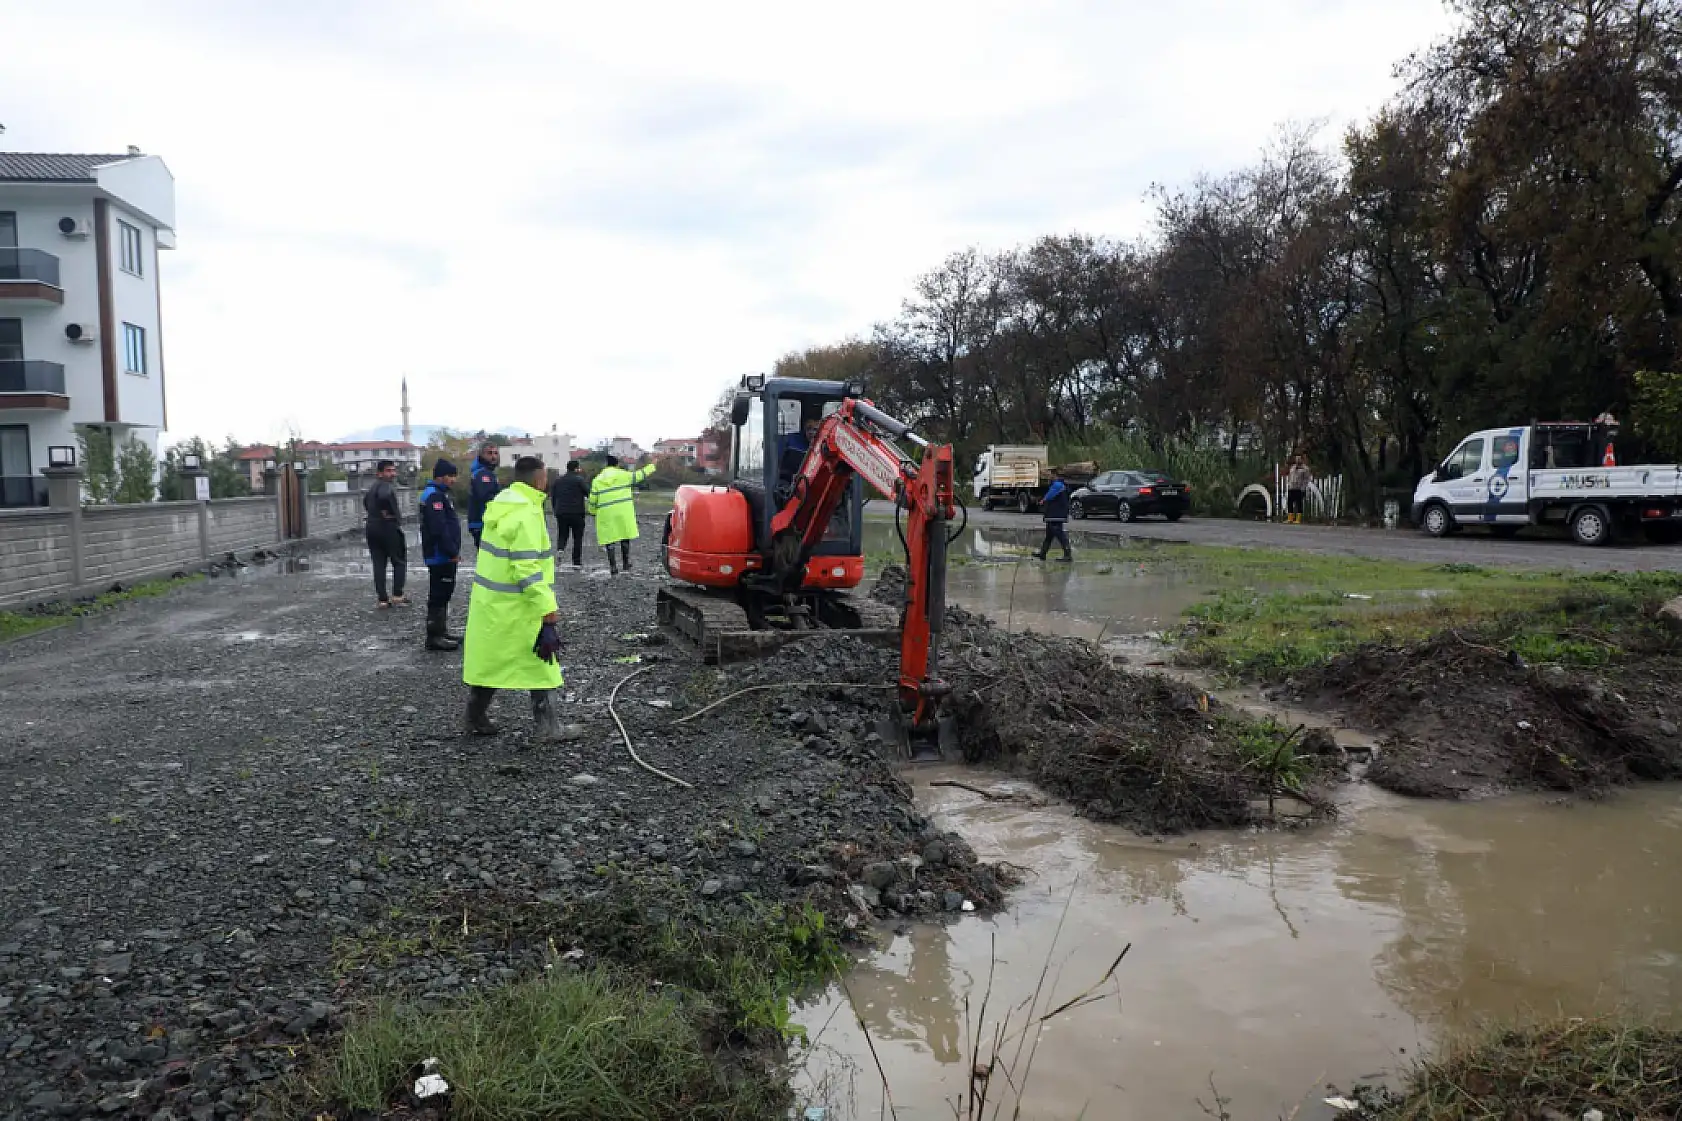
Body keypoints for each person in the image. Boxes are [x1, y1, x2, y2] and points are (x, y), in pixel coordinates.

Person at [462, 456, 566, 739]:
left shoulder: (503, 504)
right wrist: (547, 607)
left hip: (493, 605)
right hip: (519, 606)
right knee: (541, 662)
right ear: (539, 480)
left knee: (491, 661)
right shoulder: (527, 514)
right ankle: (549, 728)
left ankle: (475, 717)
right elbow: (527, 567)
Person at [418, 459, 463, 651]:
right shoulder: (435, 497)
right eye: (451, 476)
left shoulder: (438, 494)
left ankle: (441, 630)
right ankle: (434, 636)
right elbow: (439, 529)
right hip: (440, 555)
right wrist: (451, 551)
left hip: (441, 554)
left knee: (444, 593)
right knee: (439, 593)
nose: (453, 480)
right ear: (441, 476)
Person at [587, 454, 655, 574]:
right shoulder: (624, 475)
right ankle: (625, 563)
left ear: (606, 465)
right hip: (623, 511)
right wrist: (652, 466)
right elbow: (639, 475)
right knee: (624, 536)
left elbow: (593, 499)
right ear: (617, 464)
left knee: (609, 539)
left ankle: (613, 566)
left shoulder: (597, 480)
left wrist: (592, 511)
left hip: (606, 513)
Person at [363, 459, 408, 607]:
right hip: (388, 527)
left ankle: (382, 599)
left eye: (393, 470)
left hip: (372, 527)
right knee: (399, 561)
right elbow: (383, 497)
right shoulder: (385, 486)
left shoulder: (371, 489)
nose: (392, 474)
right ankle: (397, 594)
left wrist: (375, 513)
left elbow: (365, 503)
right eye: (388, 471)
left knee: (378, 563)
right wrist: (385, 511)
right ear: (379, 474)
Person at [548, 459, 590, 569]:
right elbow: (588, 493)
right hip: (577, 513)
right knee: (577, 537)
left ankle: (560, 550)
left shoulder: (558, 481)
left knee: (562, 534)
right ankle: (576, 561)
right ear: (576, 468)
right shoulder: (579, 480)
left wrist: (555, 510)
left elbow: (553, 497)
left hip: (561, 512)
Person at [467, 442, 503, 550]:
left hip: (483, 522)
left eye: (496, 453)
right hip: (482, 522)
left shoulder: (488, 472)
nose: (493, 456)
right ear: (482, 455)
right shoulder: (482, 474)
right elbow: (486, 497)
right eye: (490, 453)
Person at [1034, 471, 1073, 562]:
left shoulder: (1057, 485)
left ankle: (1068, 555)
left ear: (1055, 476)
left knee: (1060, 535)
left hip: (1056, 515)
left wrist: (1042, 500)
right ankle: (1042, 554)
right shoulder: (1056, 485)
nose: (1048, 478)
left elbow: (1049, 496)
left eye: (1049, 476)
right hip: (1053, 515)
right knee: (1049, 536)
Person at [1286, 456, 1312, 524]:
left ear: (1301, 460)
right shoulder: (1293, 467)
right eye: (1296, 459)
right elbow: (1290, 476)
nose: (1297, 460)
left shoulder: (1305, 468)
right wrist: (1289, 484)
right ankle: (1290, 518)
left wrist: (1303, 488)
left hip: (1299, 488)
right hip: (1291, 487)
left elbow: (1307, 479)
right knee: (1289, 502)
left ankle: (1298, 519)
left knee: (1299, 503)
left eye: (1299, 459)